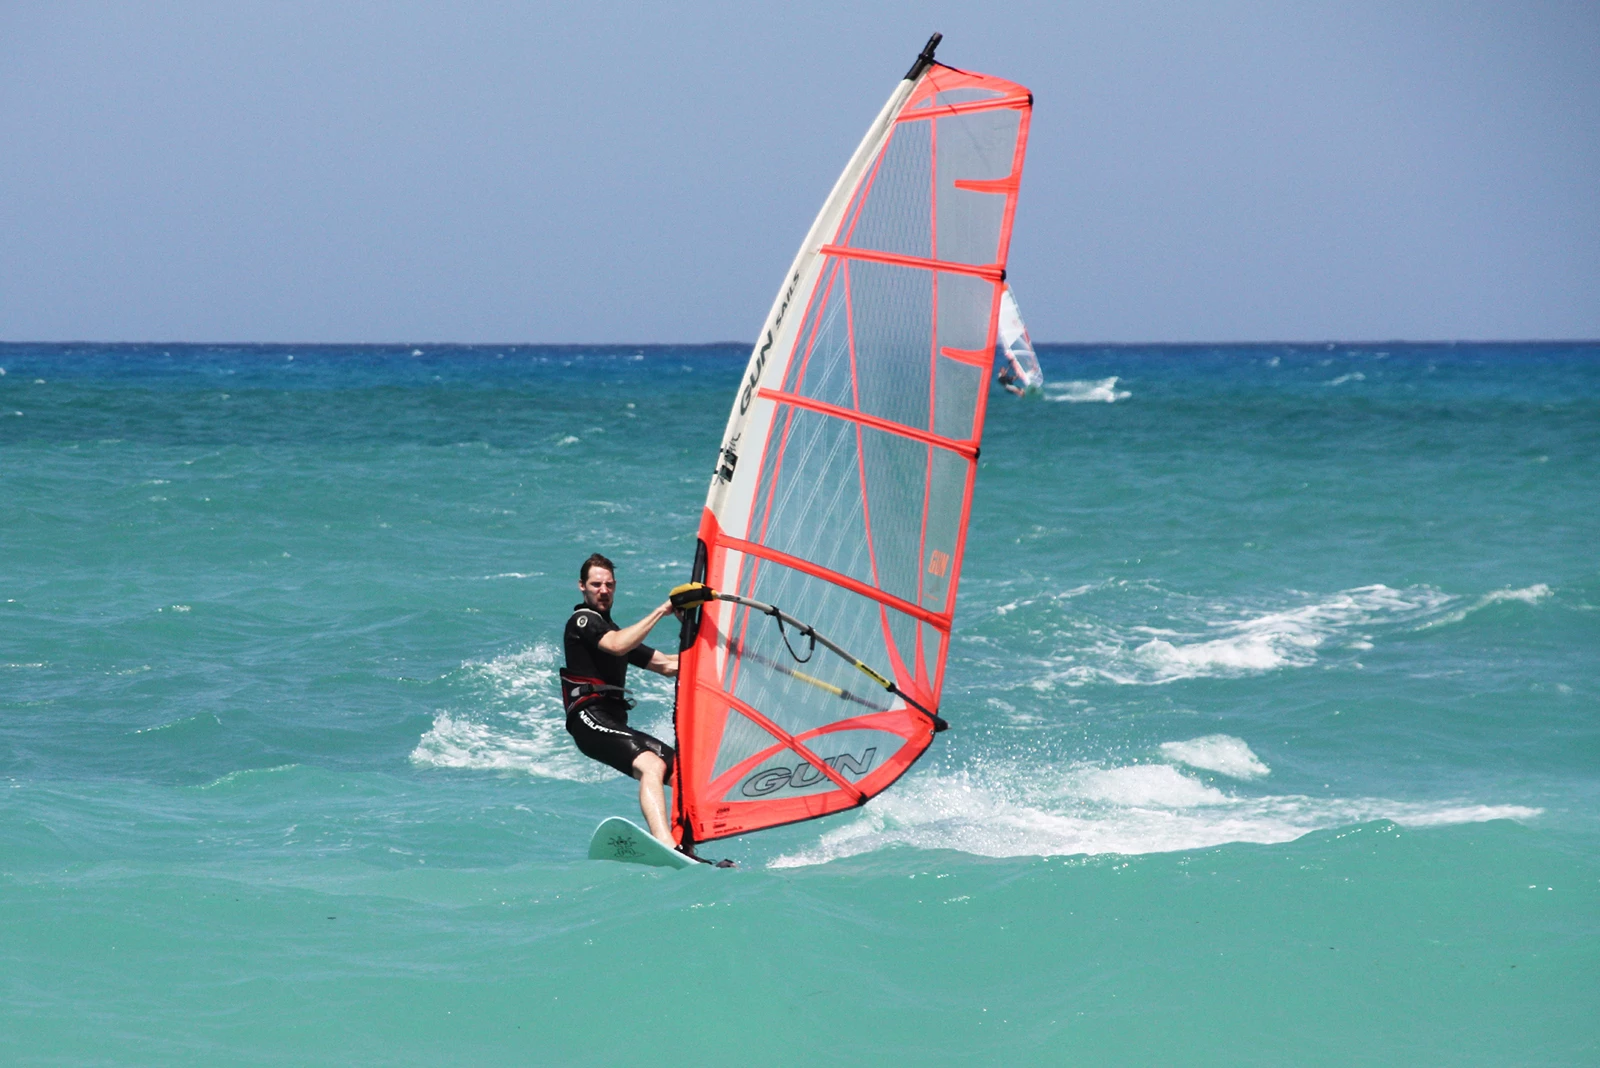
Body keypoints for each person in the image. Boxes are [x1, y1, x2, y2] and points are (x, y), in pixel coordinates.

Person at [560, 552, 682, 846]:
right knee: (652, 766)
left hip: (613, 721)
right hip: (588, 719)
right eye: (596, 584)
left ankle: (683, 845)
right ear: (582, 586)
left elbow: (667, 665)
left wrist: (723, 654)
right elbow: (616, 646)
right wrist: (662, 610)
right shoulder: (582, 621)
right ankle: (664, 841)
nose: (603, 590)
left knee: (681, 772)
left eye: (609, 585)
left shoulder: (618, 632)